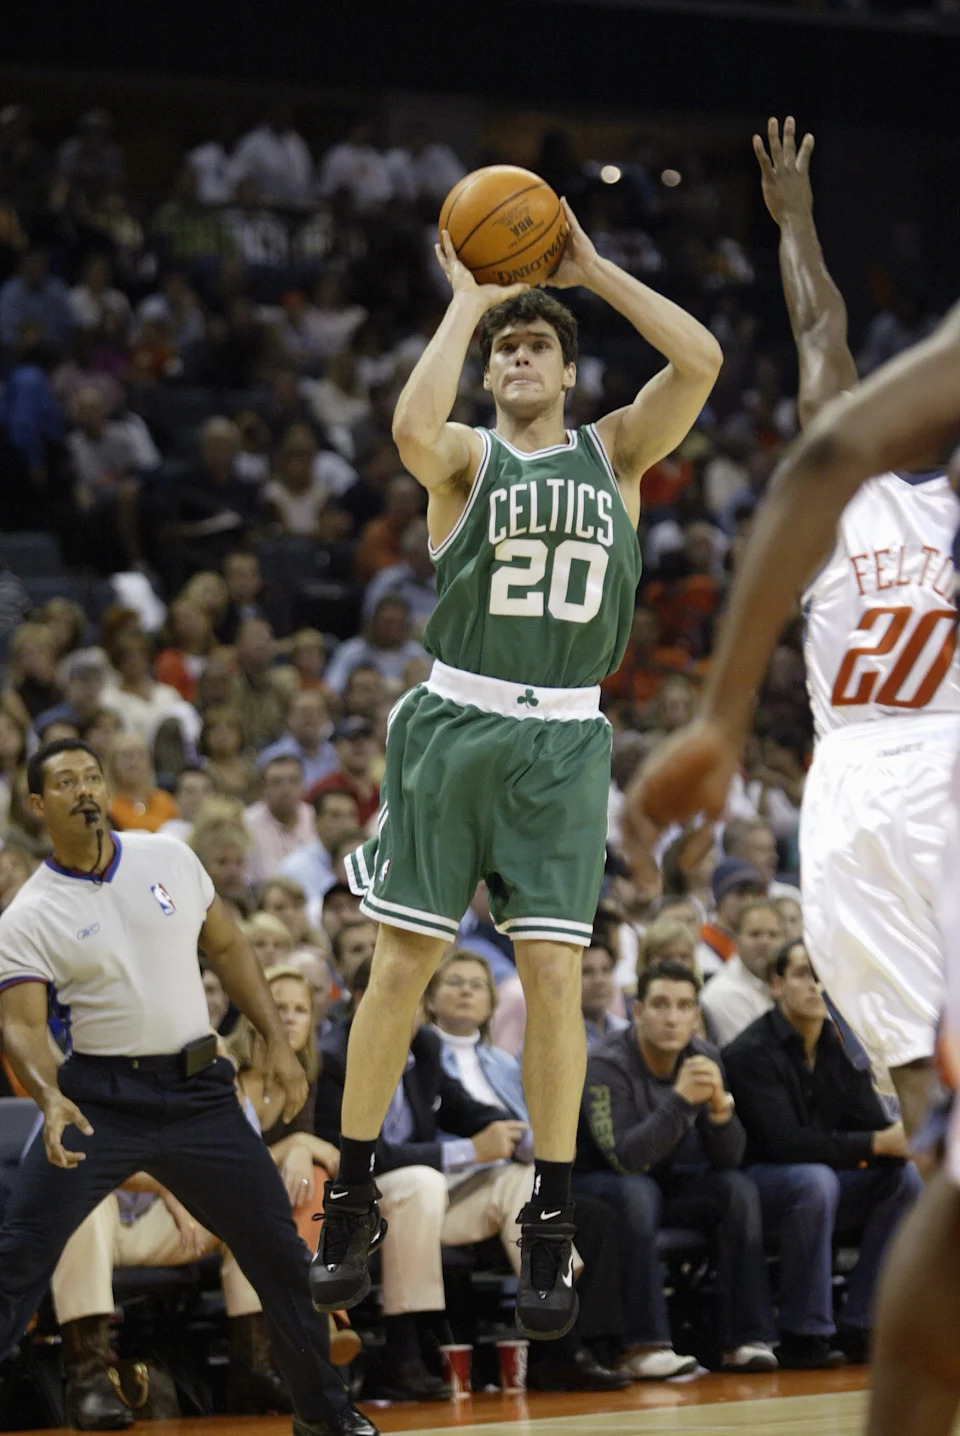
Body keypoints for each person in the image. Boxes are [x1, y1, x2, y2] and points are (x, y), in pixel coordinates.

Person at [316, 197, 722, 1339]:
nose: (518, 355)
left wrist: (592, 270)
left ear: (569, 369)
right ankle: (351, 1190)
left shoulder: (618, 451)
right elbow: (405, 426)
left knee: (550, 978)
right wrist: (465, 305)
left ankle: (550, 1210)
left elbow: (701, 358)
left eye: (536, 343)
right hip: (458, 723)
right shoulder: (465, 456)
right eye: (507, 348)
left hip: (568, 738)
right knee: (401, 965)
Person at [622, 125, 960, 1436]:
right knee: (936, 1134)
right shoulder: (852, 490)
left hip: (930, 755)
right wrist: (796, 219)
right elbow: (821, 336)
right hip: (863, 779)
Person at [0, 739, 378, 1436]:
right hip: (99, 1098)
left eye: (91, 776)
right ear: (36, 805)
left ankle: (324, 1415)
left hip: (200, 1092)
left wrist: (274, 1042)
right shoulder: (28, 913)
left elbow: (229, 947)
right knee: (20, 1251)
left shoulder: (166, 855)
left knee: (278, 1255)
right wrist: (50, 1096)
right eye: (64, 781)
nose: (84, 789)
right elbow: (21, 1024)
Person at [723, 938, 921, 1369]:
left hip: (822, 1183)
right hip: (758, 1186)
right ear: (776, 985)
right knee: (813, 1179)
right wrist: (875, 1144)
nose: (815, 986)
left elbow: (871, 1123)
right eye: (802, 975)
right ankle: (803, 1331)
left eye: (822, 977)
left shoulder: (838, 1045)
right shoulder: (750, 1052)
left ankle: (864, 1321)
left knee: (904, 1179)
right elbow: (784, 1143)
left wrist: (902, 1141)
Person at [575, 959, 777, 1374]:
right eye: (661, 1004)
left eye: (684, 1006)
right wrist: (682, 1100)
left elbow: (728, 1158)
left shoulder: (705, 1057)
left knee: (735, 1189)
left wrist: (721, 1114)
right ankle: (641, 1346)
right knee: (637, 1191)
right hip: (597, 1189)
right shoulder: (604, 1064)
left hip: (665, 1187)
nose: (672, 1017)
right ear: (637, 1011)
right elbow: (625, 1158)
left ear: (696, 1016)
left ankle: (745, 1338)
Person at [700, 898, 783, 1047]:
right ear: (736, 941)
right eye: (755, 934)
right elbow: (753, 1057)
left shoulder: (782, 982)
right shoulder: (725, 993)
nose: (765, 942)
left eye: (773, 935)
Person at [245, 756, 317, 887]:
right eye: (276, 782)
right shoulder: (247, 823)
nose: (286, 789)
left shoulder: (314, 817)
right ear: (263, 788)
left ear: (303, 786)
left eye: (293, 781)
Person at [581, 930, 629, 1049]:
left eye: (606, 970)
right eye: (586, 972)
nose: (599, 980)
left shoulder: (627, 1032)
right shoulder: (558, 1037)